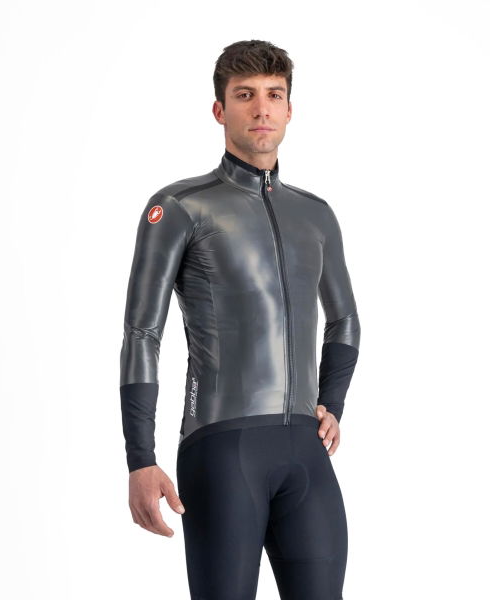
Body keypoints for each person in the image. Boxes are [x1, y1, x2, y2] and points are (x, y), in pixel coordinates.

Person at [119, 39, 361, 600]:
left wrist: (332, 402)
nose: (261, 109)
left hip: (306, 453)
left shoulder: (316, 214)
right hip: (222, 451)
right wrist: (140, 458)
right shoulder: (181, 206)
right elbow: (141, 334)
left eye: (274, 95)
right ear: (219, 109)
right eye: (245, 95)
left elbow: (345, 320)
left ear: (290, 109)